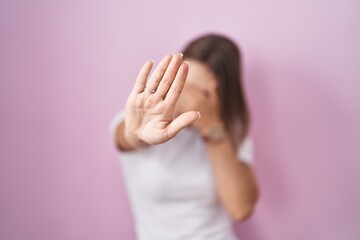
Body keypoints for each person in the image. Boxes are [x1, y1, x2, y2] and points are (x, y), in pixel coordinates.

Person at [110, 34, 259, 240]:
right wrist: (138, 132)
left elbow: (241, 208)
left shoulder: (230, 130)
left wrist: (212, 127)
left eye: (201, 93)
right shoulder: (140, 118)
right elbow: (127, 138)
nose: (189, 99)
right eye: (184, 85)